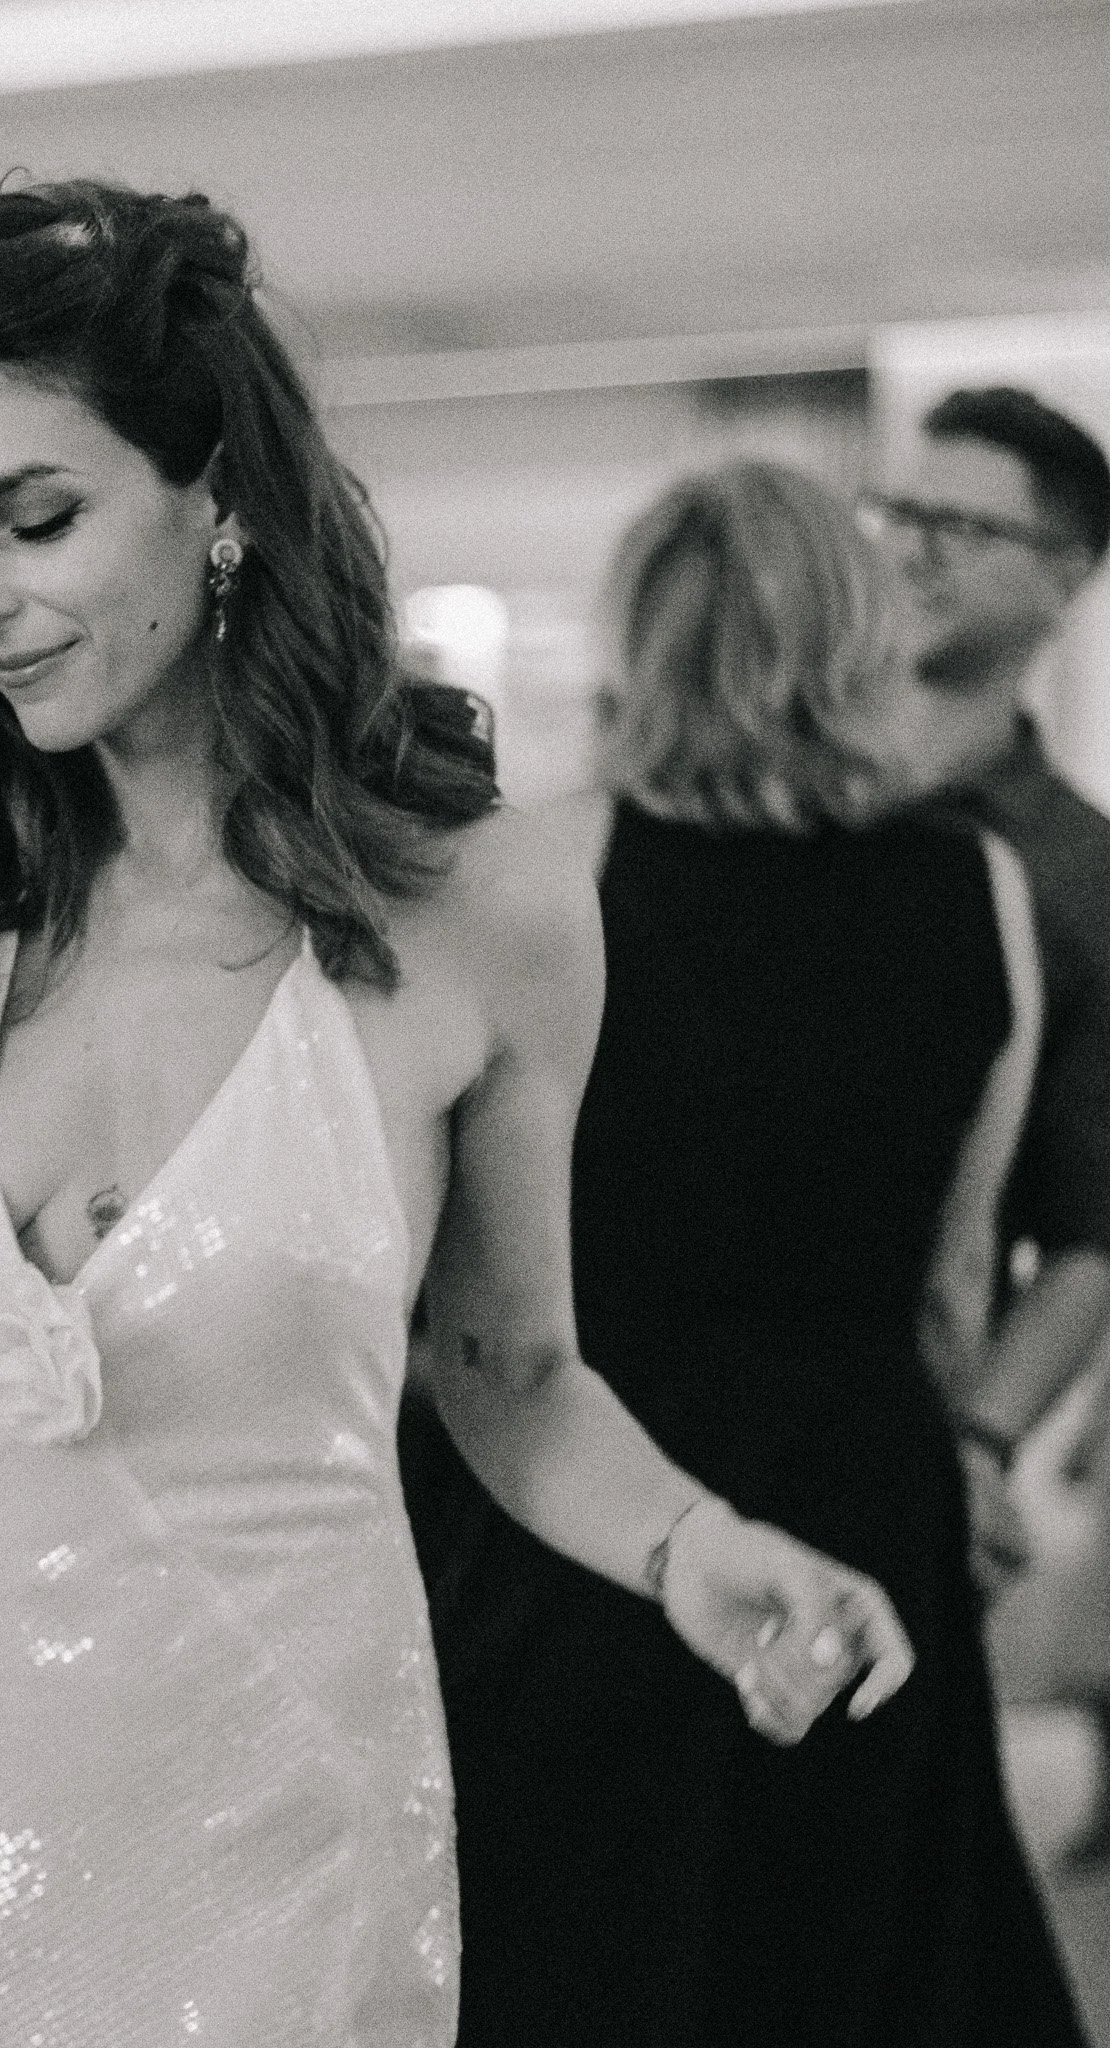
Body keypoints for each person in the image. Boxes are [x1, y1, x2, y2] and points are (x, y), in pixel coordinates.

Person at [0, 187, 910, 2047]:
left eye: (35, 517)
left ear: (218, 498)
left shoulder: (486, 910)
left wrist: (689, 1545)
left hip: (281, 1815)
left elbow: (509, 1369)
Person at [401, 461, 1087, 2047]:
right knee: (841, 1948)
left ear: (636, 639)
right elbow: (951, 1264)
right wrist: (951, 1455)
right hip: (855, 1468)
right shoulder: (976, 888)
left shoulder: (537, 864)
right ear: (859, 647)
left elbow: (459, 1242)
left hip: (569, 1475)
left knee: (566, 1936)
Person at [860, 385, 1110, 1851]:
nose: (914, 551)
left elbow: (1089, 1232)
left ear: (1063, 575)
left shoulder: (1073, 878)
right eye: (901, 514)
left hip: (898, 1402)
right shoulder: (744, 800)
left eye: (963, 526)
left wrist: (969, 1446)